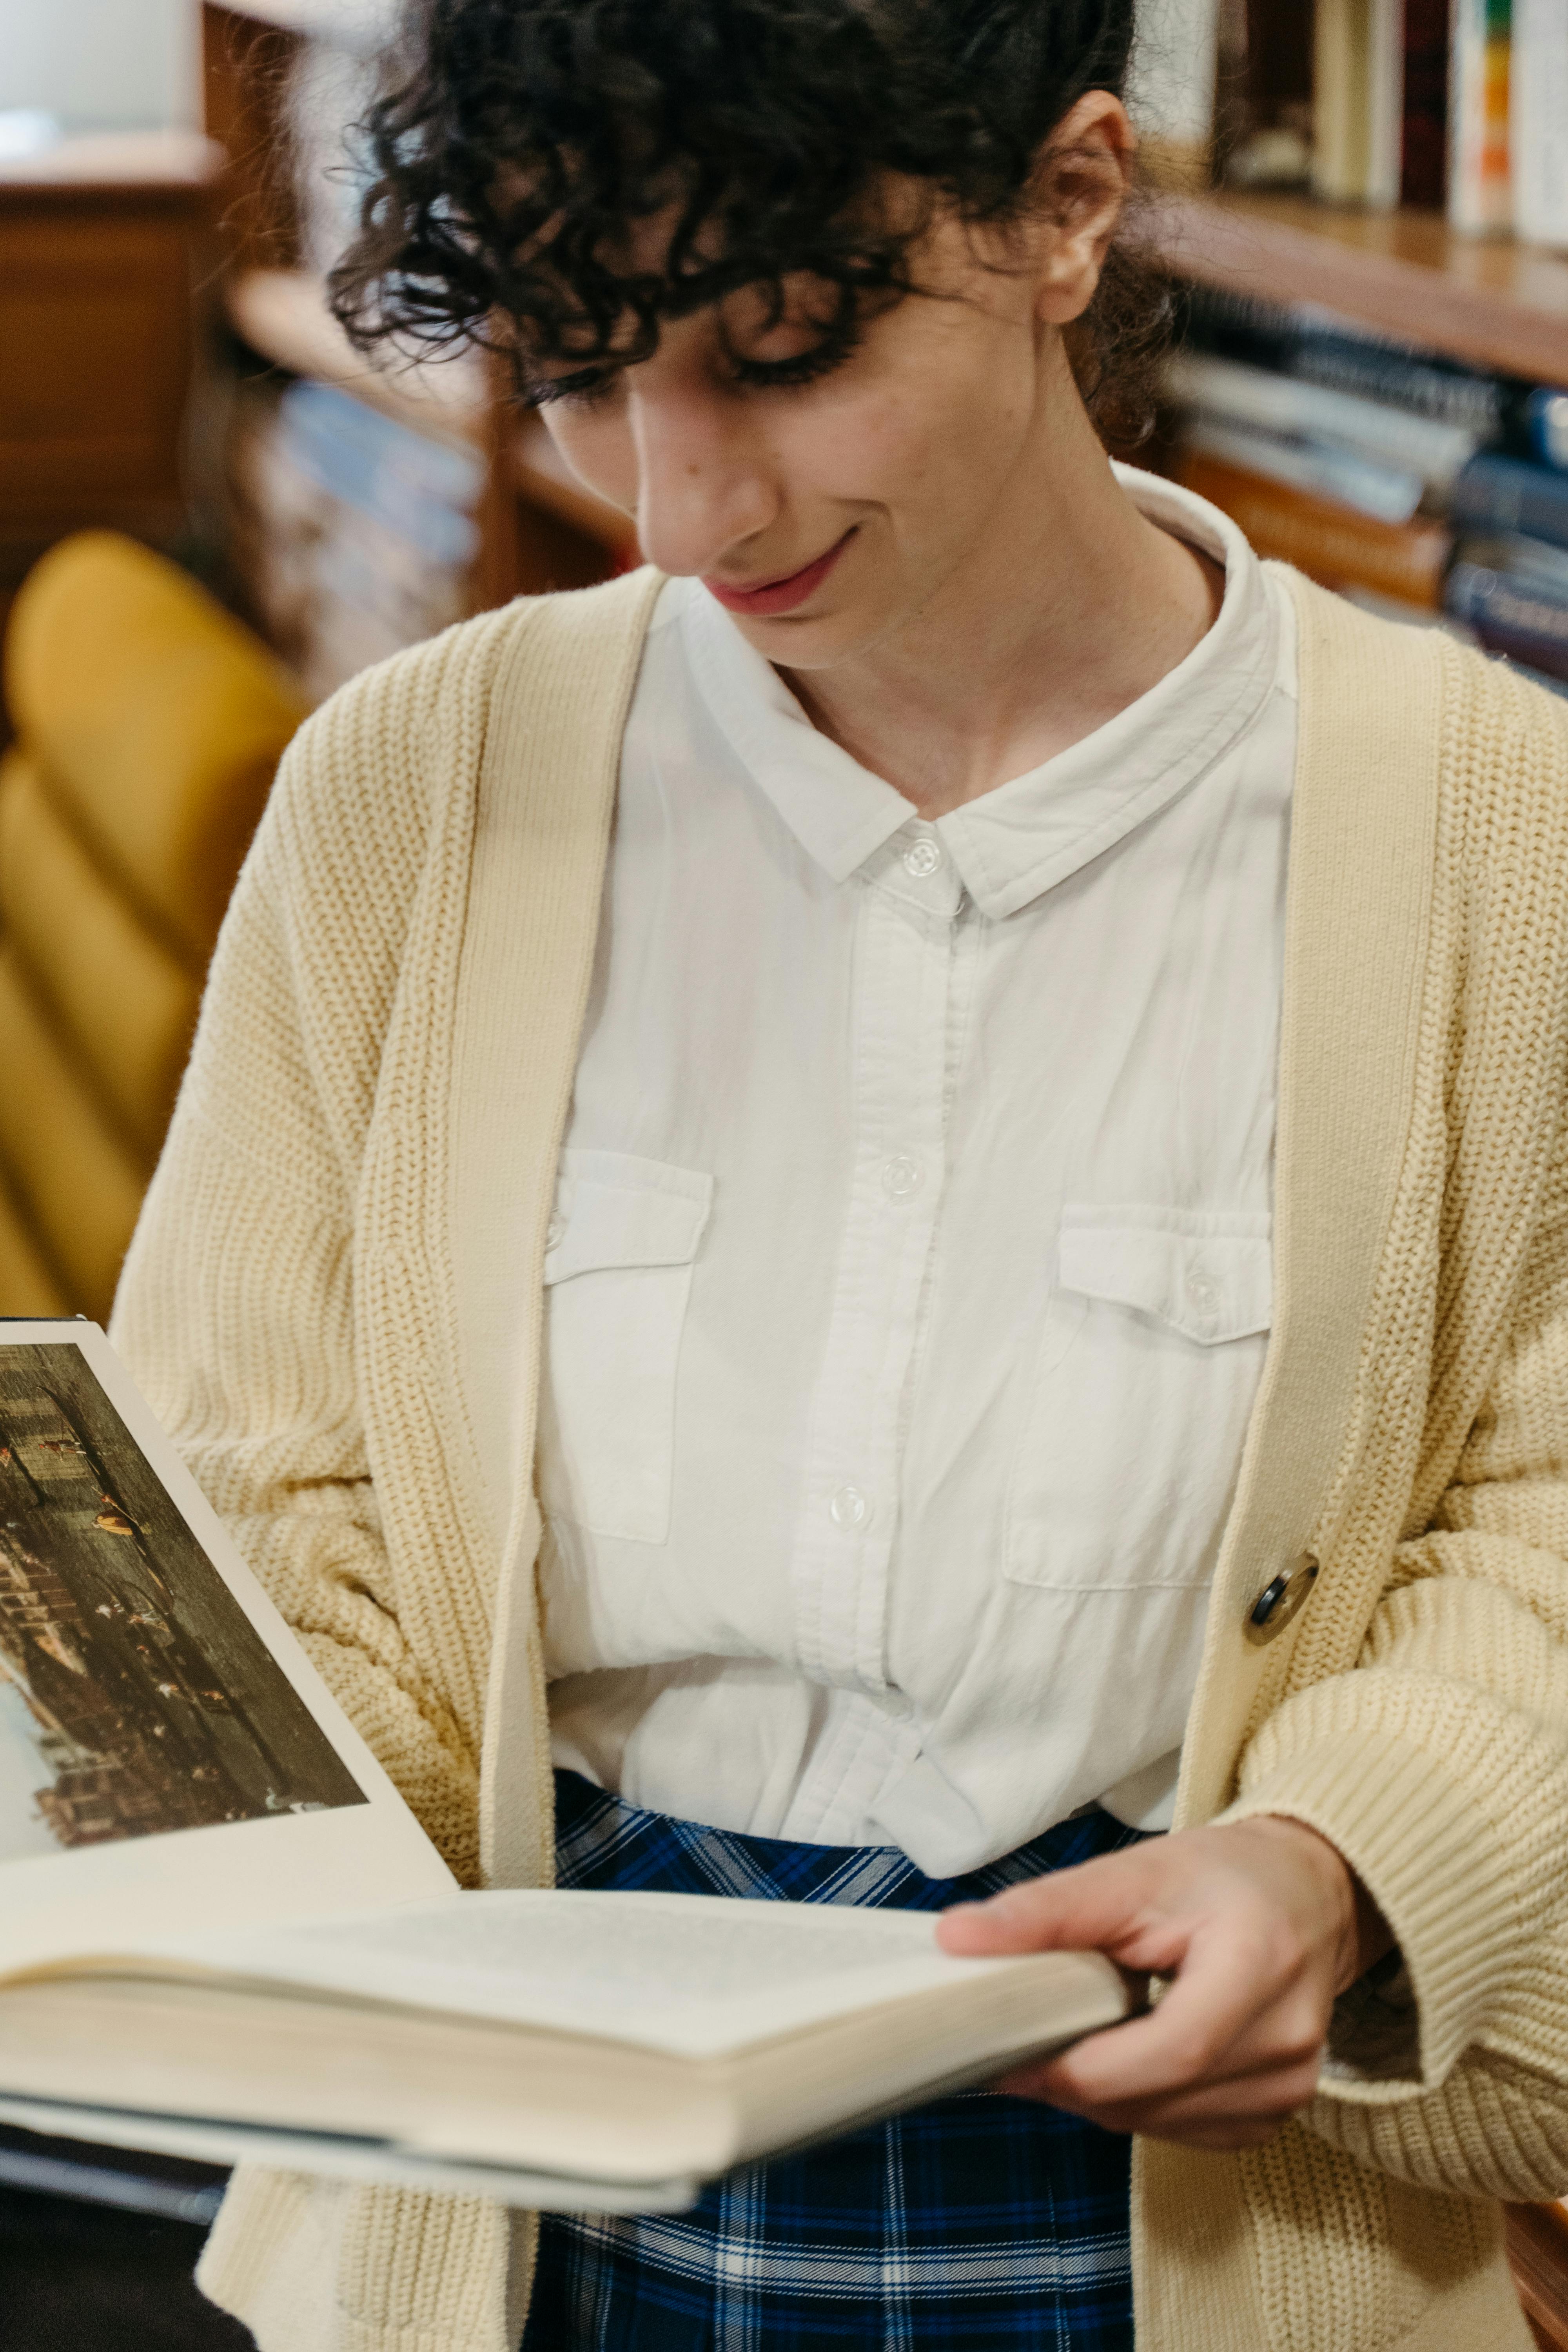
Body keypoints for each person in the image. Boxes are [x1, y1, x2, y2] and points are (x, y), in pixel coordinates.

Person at [112, 0, 1568, 2346]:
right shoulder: (411, 795)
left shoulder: (1506, 836)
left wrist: (1351, 1858)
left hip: (1195, 2200)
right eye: (583, 371)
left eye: (783, 353)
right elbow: (255, 1481)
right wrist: (251, 1844)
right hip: (526, 2209)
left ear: (1068, 203)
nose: (682, 510)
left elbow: (1549, 1500)